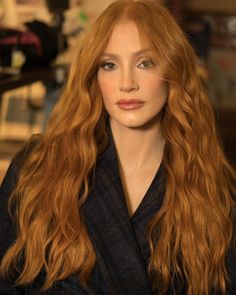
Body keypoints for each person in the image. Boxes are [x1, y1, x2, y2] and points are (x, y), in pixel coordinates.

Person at [0, 0, 235, 294]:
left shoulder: (214, 193)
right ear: (94, 77)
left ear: (174, 71)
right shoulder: (35, 171)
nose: (126, 83)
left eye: (145, 63)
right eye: (109, 65)